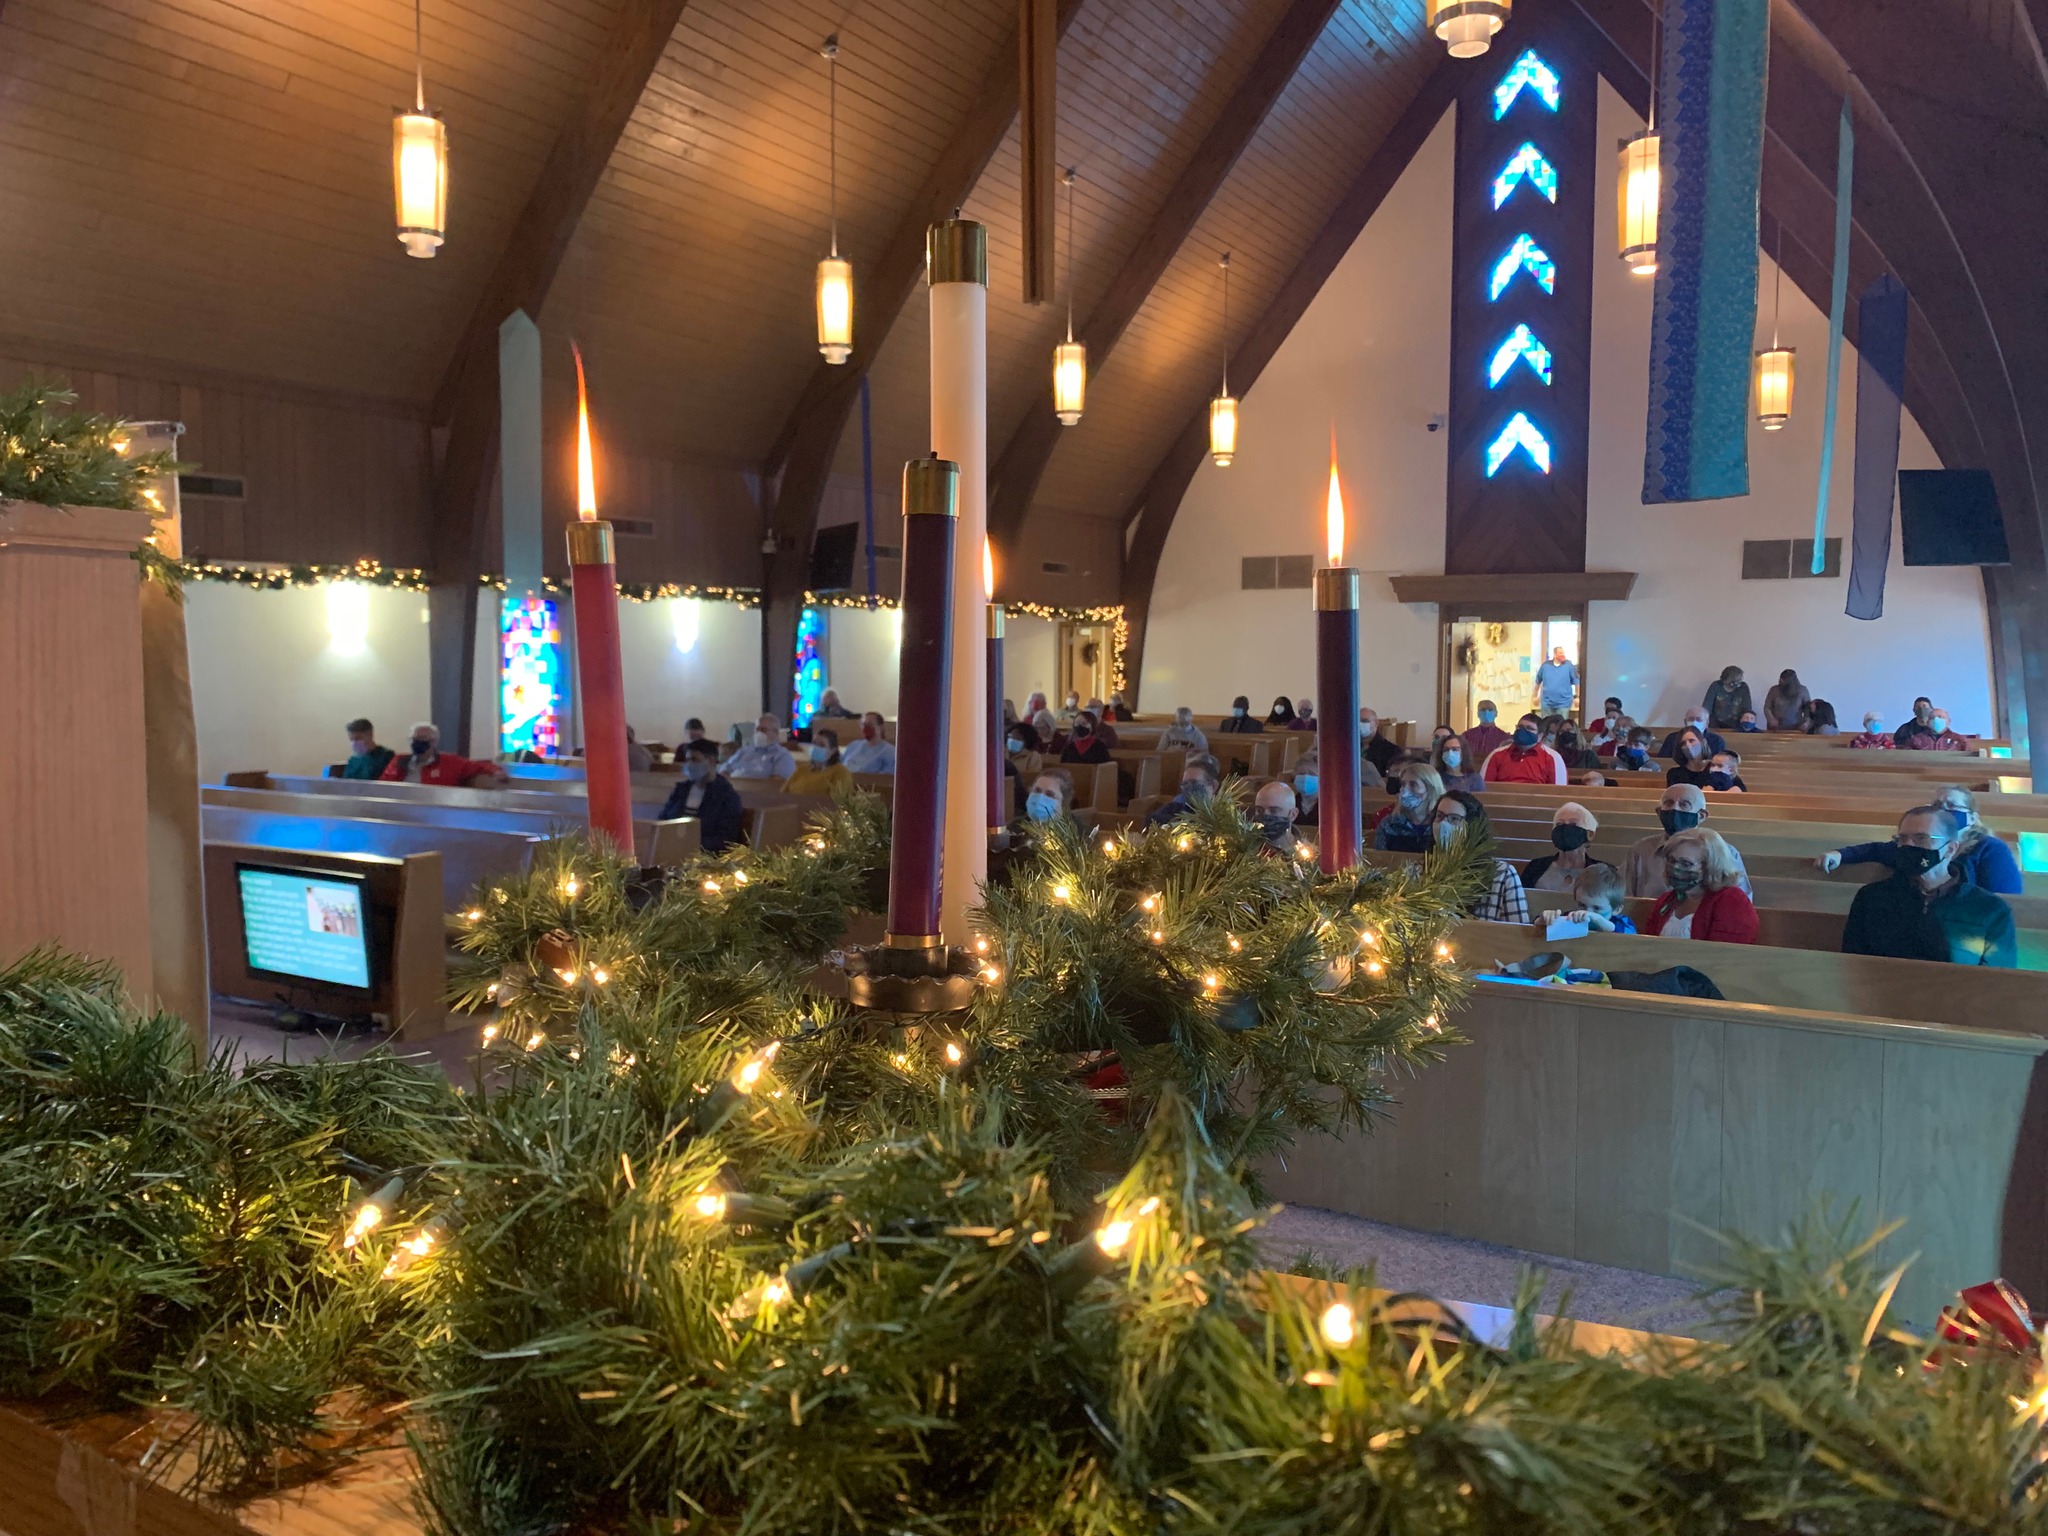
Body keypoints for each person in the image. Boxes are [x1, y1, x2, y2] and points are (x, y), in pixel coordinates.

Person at [1842, 807, 2016, 966]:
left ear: (1949, 849)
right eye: (1902, 839)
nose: (1909, 846)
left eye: (1921, 838)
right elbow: (1853, 963)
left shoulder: (1990, 909)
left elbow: (1997, 979)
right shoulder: (1871, 897)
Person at [1817, 785, 2023, 895]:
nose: (1943, 810)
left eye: (1951, 805)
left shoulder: (1990, 849)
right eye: (1937, 805)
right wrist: (1840, 854)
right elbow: (1878, 850)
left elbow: (2006, 900)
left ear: (1971, 817)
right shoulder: (1920, 843)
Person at [1625, 783, 1752, 898]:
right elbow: (1624, 896)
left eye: (1684, 804)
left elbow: (1740, 901)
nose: (1675, 809)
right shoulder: (1641, 849)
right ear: (1659, 812)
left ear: (1701, 816)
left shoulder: (1727, 852)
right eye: (1668, 803)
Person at [1430, 791, 1527, 924]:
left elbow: (1518, 935)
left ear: (1472, 826)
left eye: (1454, 819)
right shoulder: (1419, 871)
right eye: (1439, 816)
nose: (1443, 824)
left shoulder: (1502, 875)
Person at [1645, 830, 1759, 943]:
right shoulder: (1667, 900)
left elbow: (1725, 954)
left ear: (1710, 867)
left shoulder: (1732, 900)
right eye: (1672, 860)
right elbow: (1648, 944)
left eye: (1686, 864)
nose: (1675, 868)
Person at [659, 740, 745, 855]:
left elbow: (727, 838)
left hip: (704, 855)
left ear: (711, 761)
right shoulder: (681, 790)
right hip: (671, 850)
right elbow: (663, 820)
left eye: (694, 760)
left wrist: (691, 846)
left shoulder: (726, 795)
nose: (689, 765)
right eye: (687, 760)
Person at [1519, 802, 1611, 893]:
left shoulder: (1603, 873)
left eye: (1573, 824)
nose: (1564, 829)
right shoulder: (1535, 867)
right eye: (1559, 824)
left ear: (1589, 834)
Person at [380, 723, 508, 787]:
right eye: (413, 739)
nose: (416, 743)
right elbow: (384, 786)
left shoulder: (449, 762)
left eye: (422, 738)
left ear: (433, 741)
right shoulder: (400, 761)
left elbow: (479, 766)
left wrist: (496, 771)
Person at [1372, 764, 1443, 853]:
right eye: (1403, 784)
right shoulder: (1390, 824)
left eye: (1413, 784)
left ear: (1430, 789)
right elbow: (1379, 858)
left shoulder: (1442, 824)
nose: (1405, 790)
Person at [1482, 713, 1567, 785]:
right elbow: (1484, 787)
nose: (1523, 731)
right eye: (1520, 727)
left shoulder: (1553, 758)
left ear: (1540, 736)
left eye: (1530, 728)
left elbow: (1558, 792)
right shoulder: (1496, 755)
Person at [1146, 753, 1221, 827]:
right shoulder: (1178, 806)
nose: (1188, 788)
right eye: (1185, 784)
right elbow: (1150, 821)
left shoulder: (1224, 813)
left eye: (1194, 783)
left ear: (1213, 786)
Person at [1569, 863, 1637, 934]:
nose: (1588, 913)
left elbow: (1631, 937)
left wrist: (1598, 920)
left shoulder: (1622, 923)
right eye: (1581, 905)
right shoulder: (1571, 918)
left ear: (1616, 909)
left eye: (1597, 908)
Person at [725, 715, 798, 780]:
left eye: (763, 730)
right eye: (757, 730)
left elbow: (776, 786)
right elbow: (724, 770)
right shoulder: (743, 751)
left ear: (775, 733)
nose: (758, 733)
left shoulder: (782, 756)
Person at [784, 727, 853, 796]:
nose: (816, 747)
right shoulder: (801, 770)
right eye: (814, 743)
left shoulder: (840, 772)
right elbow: (783, 792)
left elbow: (838, 801)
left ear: (832, 750)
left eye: (822, 745)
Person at [1252, 780, 1307, 859]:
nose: (1265, 815)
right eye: (1259, 810)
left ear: (1293, 814)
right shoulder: (1245, 849)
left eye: (1274, 810)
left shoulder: (1307, 854)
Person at [1657, 710, 1726, 760]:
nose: (1694, 722)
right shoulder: (1672, 738)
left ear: (1707, 722)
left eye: (1699, 719)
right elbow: (1663, 760)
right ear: (1685, 721)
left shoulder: (1717, 741)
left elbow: (1719, 762)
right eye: (1691, 719)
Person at [1534, 644, 1580, 717]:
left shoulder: (1569, 665)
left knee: (1562, 725)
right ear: (1555, 654)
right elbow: (1537, 682)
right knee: (1546, 725)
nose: (1563, 655)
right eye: (1560, 653)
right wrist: (1535, 696)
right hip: (1547, 703)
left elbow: (1577, 682)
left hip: (1564, 703)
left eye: (1563, 653)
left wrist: (1578, 697)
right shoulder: (1545, 666)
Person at [1703, 666, 1753, 732]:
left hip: (1738, 726)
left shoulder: (1743, 687)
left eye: (1740, 680)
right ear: (1726, 679)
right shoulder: (1715, 686)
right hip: (1716, 725)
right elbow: (1707, 706)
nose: (1738, 683)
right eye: (1735, 681)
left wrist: (1747, 723)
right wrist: (1704, 722)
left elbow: (1747, 707)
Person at [1358, 708, 1402, 777]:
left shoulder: (1392, 750)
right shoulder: (1348, 747)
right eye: (1357, 721)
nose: (1360, 724)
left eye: (1365, 721)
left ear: (1376, 723)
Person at [1289, 746, 1321, 826]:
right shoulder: (1290, 802)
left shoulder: (1331, 806)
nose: (1306, 778)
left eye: (1311, 774)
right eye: (1301, 774)